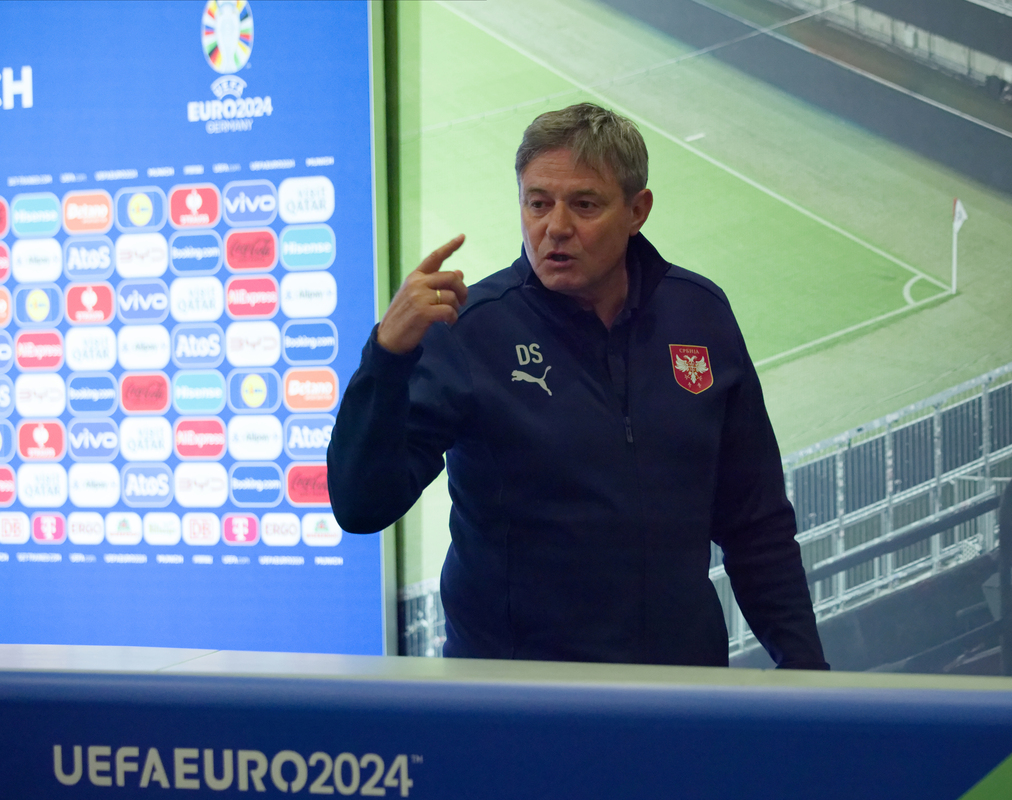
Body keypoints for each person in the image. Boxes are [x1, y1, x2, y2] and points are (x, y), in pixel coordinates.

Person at [328, 103, 828, 669]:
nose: (555, 227)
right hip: (522, 705)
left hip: (680, 692)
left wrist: (808, 672)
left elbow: (755, 524)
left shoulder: (700, 316)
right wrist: (387, 357)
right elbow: (361, 504)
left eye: (584, 205)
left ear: (638, 210)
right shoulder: (470, 331)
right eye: (537, 203)